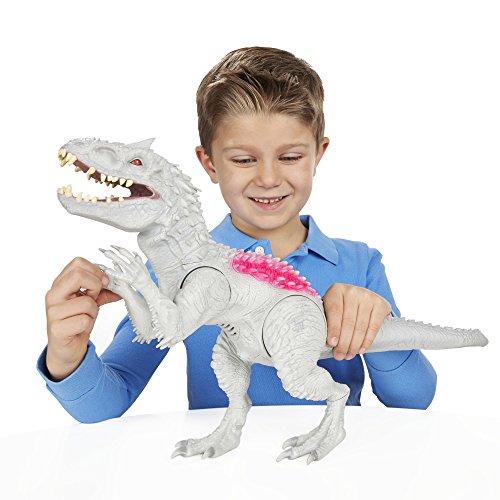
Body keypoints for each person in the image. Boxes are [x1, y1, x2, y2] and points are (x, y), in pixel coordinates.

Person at [38, 47, 437, 423]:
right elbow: (107, 401)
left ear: (318, 154)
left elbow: (413, 400)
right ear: (209, 163)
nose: (268, 178)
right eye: (244, 159)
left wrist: (373, 323)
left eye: (290, 157)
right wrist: (67, 355)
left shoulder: (360, 265)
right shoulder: (172, 268)